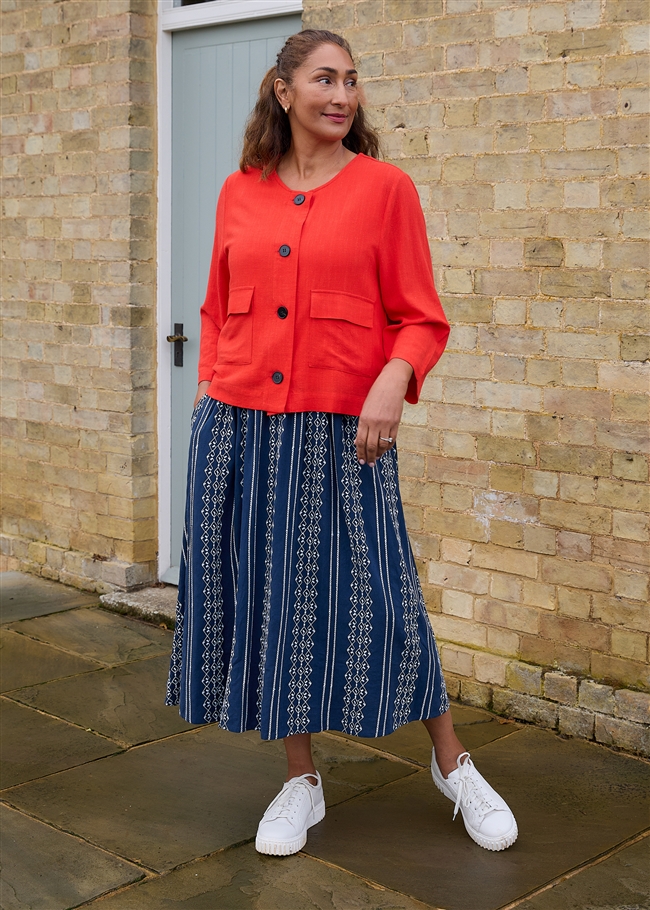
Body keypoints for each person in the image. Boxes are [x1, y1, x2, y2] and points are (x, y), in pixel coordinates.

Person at [166, 28, 517, 857]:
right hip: (238, 424)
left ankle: (452, 762)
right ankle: (302, 779)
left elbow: (421, 317)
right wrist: (209, 385)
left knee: (384, 592)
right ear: (282, 89)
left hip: (341, 431)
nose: (343, 95)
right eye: (325, 79)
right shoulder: (239, 191)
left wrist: (394, 379)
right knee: (269, 598)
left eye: (352, 80)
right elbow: (216, 307)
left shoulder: (385, 189)